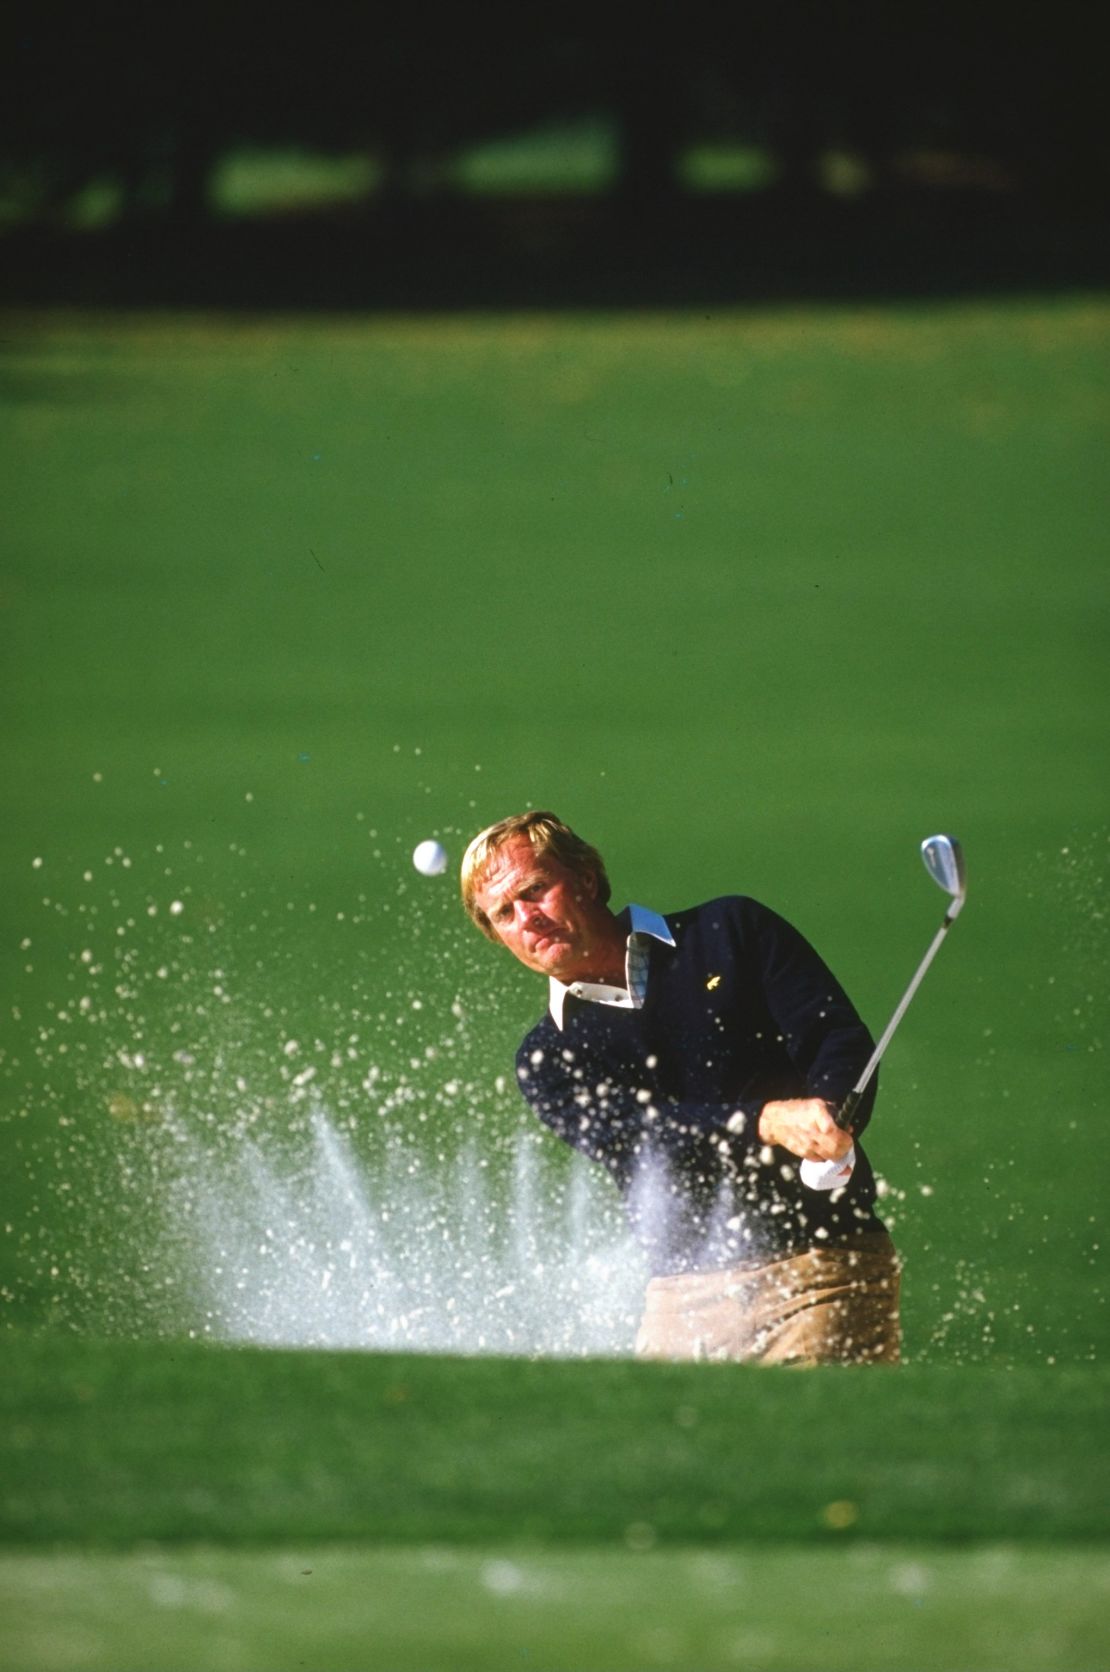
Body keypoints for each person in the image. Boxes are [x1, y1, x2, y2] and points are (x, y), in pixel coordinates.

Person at [461, 810, 900, 1366]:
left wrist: (835, 1115)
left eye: (536, 889)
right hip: (680, 1296)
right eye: (504, 913)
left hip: (822, 1266)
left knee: (818, 1443)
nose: (527, 917)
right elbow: (646, 1136)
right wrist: (763, 1121)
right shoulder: (548, 1060)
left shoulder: (729, 931)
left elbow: (834, 1038)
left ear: (587, 879)